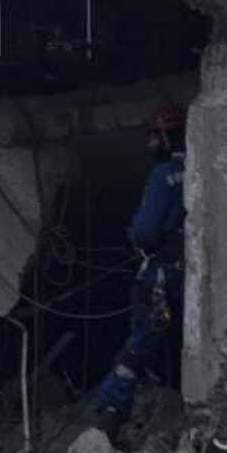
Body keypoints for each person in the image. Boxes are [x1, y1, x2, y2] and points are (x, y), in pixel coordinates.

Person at [92, 105, 188, 434]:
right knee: (172, 345)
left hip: (160, 275)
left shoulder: (163, 175)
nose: (149, 145)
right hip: (189, 276)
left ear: (163, 136)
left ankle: (109, 412)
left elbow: (146, 229)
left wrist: (136, 238)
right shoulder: (199, 168)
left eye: (152, 137)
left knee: (138, 345)